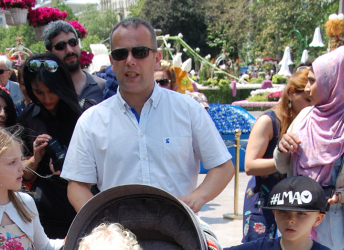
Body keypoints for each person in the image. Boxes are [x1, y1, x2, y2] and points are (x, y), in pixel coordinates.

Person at [61, 17, 234, 214]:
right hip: (118, 236)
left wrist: (198, 197)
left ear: (157, 58)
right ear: (111, 61)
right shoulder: (91, 121)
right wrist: (100, 220)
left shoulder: (187, 109)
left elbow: (223, 166)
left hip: (178, 232)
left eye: (140, 52)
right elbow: (77, 185)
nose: (130, 61)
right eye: (120, 54)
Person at [274, 46, 344, 250]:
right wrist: (283, 147)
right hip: (297, 220)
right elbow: (284, 166)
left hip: (335, 224)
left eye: (314, 81)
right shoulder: (305, 117)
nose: (308, 88)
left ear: (336, 81)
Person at [19, 54, 87, 250]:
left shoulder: (84, 113)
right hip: (45, 208)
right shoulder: (27, 118)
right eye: (38, 92)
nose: (47, 98)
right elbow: (23, 175)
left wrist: (73, 168)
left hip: (82, 204)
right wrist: (36, 158)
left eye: (51, 91)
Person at [243, 68, 311, 241]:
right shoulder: (269, 121)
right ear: (291, 93)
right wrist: (282, 161)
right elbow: (250, 166)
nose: (312, 106)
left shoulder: (308, 123)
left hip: (292, 205)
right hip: (263, 204)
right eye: (307, 100)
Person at [42, 20, 105, 103]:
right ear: (49, 54)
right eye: (61, 46)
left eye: (73, 42)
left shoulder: (103, 87)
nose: (69, 50)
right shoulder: (47, 93)